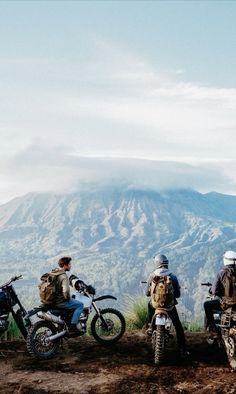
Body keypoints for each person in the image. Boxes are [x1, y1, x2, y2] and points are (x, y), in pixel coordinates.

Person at [146, 254, 188, 357]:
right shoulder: (172, 276)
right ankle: (183, 349)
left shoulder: (152, 275)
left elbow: (147, 293)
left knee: (149, 305)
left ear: (157, 263)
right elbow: (177, 295)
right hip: (169, 306)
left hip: (156, 305)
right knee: (178, 327)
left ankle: (149, 326)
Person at [204, 250, 236, 336]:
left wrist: (211, 290)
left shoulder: (221, 273)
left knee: (207, 305)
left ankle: (213, 327)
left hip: (226, 304)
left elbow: (214, 291)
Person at [52, 256, 84, 333]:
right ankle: (73, 326)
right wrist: (68, 298)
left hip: (53, 300)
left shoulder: (55, 272)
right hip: (60, 301)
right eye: (69, 264)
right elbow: (66, 291)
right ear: (65, 265)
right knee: (80, 305)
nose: (70, 265)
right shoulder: (63, 275)